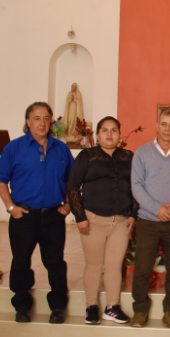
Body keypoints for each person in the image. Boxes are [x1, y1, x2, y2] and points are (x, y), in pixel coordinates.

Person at [0, 102, 74, 324]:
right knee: (20, 261)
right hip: (24, 216)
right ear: (28, 121)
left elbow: (73, 181)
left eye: (46, 118)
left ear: (51, 122)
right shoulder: (14, 148)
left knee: (55, 262)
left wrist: (68, 206)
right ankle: (21, 305)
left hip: (53, 216)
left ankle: (58, 307)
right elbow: (0, 178)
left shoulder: (62, 149)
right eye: (37, 118)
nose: (42, 122)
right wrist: (11, 208)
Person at [67, 116, 137, 325]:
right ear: (97, 135)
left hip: (121, 221)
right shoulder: (87, 156)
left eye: (114, 130)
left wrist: (133, 214)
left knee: (114, 266)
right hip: (93, 219)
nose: (109, 134)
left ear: (119, 135)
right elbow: (72, 187)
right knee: (94, 264)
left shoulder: (129, 157)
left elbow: (137, 187)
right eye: (104, 130)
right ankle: (91, 306)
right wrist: (80, 217)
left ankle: (112, 307)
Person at [130, 108, 170, 329]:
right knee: (142, 267)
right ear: (157, 125)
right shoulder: (142, 153)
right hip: (148, 220)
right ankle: (139, 309)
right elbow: (136, 186)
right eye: (164, 124)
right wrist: (157, 209)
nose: (168, 129)